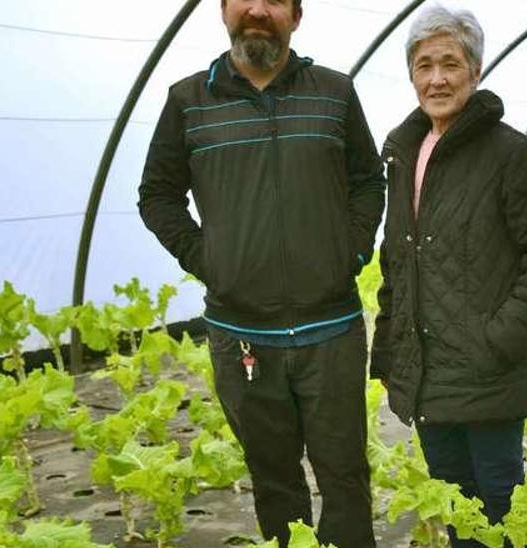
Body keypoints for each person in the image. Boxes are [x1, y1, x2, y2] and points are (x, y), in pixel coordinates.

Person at [136, 0, 384, 545]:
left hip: (331, 332)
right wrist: (210, 261)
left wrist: (352, 250)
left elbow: (368, 181)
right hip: (243, 336)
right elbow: (157, 194)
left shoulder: (334, 93)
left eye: (274, 0)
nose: (257, 10)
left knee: (344, 477)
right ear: (223, 11)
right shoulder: (188, 101)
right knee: (274, 481)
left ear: (296, 16)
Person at [369, 5, 527, 547]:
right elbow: (398, 263)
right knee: (455, 506)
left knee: (501, 510)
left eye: (450, 64)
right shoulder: (402, 154)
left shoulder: (512, 155)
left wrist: (500, 338)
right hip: (428, 374)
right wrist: (390, 352)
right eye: (423, 65)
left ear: (475, 72)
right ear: (412, 75)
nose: (436, 78)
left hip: (489, 374)